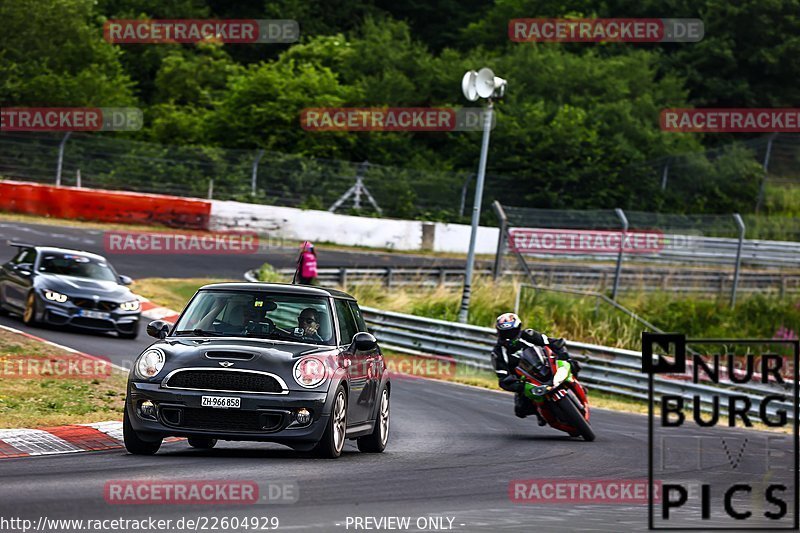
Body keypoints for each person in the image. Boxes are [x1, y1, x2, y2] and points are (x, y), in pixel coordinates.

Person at [491, 312, 579, 425]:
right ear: (499, 333)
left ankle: (576, 385)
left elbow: (551, 342)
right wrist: (517, 384)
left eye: (511, 331)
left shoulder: (529, 335)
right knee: (521, 410)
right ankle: (540, 413)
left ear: (518, 328)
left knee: (573, 364)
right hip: (526, 380)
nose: (509, 335)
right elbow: (503, 377)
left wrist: (562, 353)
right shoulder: (498, 353)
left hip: (545, 366)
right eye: (505, 333)